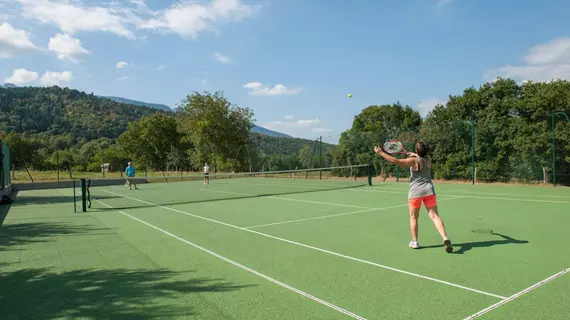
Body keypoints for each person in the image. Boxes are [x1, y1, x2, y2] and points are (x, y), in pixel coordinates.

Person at [374, 142, 453, 253]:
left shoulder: (413, 160)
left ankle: (415, 242)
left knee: (414, 217)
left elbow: (395, 161)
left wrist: (380, 152)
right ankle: (445, 237)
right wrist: (414, 154)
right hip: (429, 190)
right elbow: (421, 157)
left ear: (417, 150)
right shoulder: (429, 159)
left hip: (415, 192)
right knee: (435, 216)